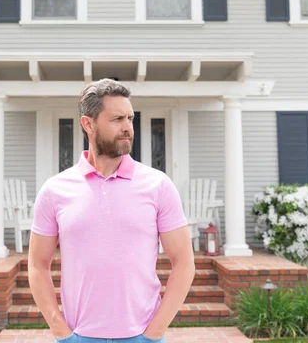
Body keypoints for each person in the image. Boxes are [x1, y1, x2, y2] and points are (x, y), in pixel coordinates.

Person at [28, 79, 196, 342]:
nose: (128, 127)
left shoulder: (158, 185)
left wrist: (153, 334)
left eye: (130, 118)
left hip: (142, 336)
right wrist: (61, 333)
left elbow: (184, 264)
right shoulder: (54, 190)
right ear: (88, 124)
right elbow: (38, 265)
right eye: (117, 119)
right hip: (78, 336)